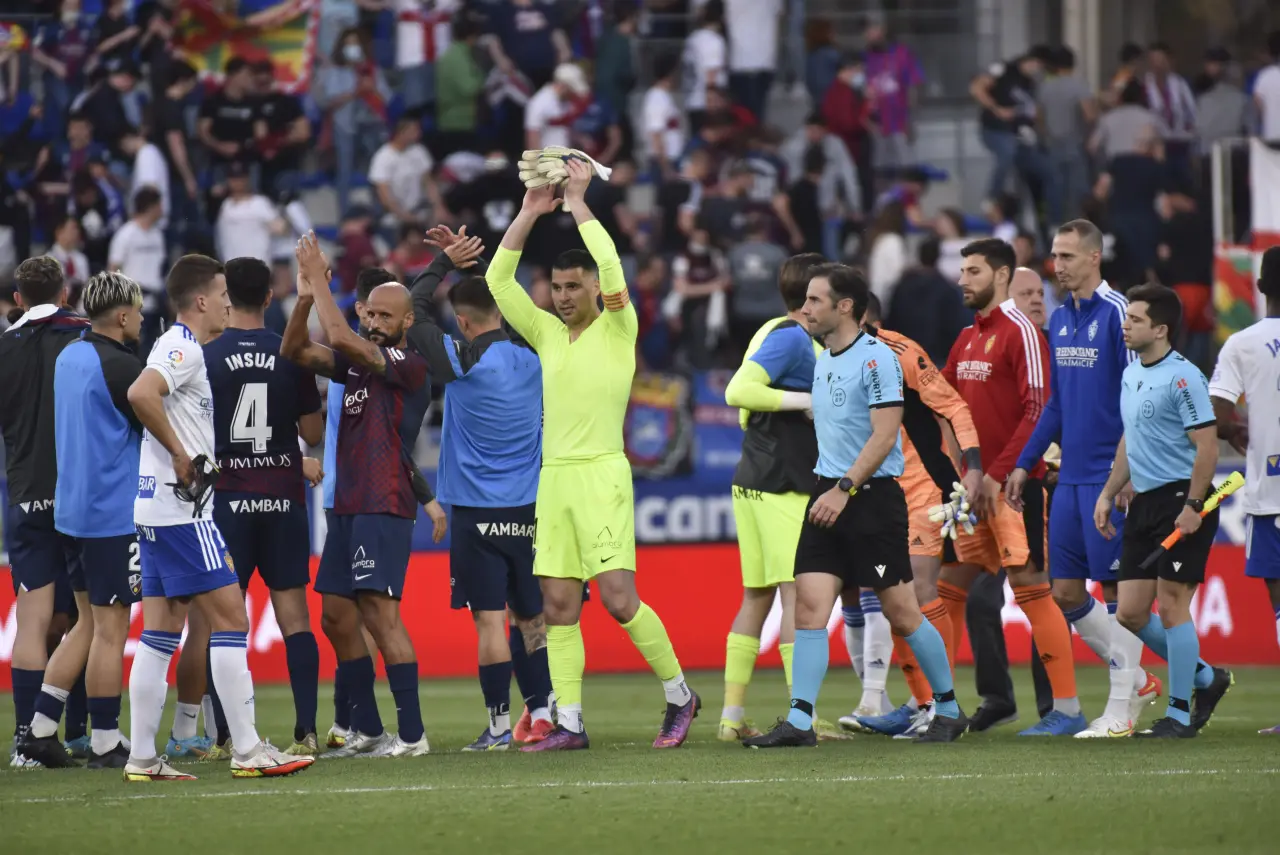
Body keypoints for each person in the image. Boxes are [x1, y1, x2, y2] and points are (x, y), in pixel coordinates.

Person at [486, 160, 698, 751]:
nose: (563, 297)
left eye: (573, 287)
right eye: (556, 289)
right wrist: (529, 211)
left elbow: (610, 264)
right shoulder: (546, 333)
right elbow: (499, 283)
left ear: (595, 290)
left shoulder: (618, 327)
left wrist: (578, 201)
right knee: (557, 605)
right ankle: (572, 723)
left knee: (619, 599)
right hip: (554, 479)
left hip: (602, 474)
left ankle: (680, 695)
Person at [744, 263, 967, 747]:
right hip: (829, 494)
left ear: (844, 306)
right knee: (809, 608)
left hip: (868, 500)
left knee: (902, 613)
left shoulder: (877, 359)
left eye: (815, 300)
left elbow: (885, 436)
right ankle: (800, 722)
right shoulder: (824, 358)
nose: (805, 309)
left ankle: (949, 709)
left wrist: (843, 489)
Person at [124, 254, 314, 781]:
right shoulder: (184, 347)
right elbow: (140, 392)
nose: (230, 303)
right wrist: (180, 454)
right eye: (224, 294)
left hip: (155, 509)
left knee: (161, 633)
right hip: (184, 512)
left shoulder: (174, 344)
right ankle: (249, 750)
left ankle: (143, 758)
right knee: (232, 620)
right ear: (203, 300)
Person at [1005, 221, 1162, 738]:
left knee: (1117, 590)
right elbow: (1056, 402)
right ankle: (1144, 680)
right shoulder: (1060, 319)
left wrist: (1130, 472)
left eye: (1068, 256)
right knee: (1066, 591)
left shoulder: (1119, 314)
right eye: (1055, 255)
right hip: (1070, 478)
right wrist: (1025, 462)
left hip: (1110, 477)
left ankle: (1121, 711)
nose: (1058, 266)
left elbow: (1138, 398)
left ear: (1095, 257)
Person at [282, 234, 437, 758]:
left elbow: (340, 336)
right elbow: (294, 351)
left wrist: (319, 279)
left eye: (385, 316)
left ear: (407, 321)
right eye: (370, 313)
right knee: (336, 617)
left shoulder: (410, 364)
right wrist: (306, 297)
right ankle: (368, 729)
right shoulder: (355, 363)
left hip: (383, 502)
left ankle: (412, 736)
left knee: (379, 615)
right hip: (347, 504)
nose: (375, 322)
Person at [404, 229, 555, 750]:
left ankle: (497, 727)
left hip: (474, 512)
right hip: (528, 509)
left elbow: (412, 310)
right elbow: (511, 304)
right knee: (531, 618)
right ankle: (544, 714)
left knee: (490, 623)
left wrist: (445, 260)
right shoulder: (534, 355)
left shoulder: (460, 360)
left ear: (463, 322)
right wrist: (482, 262)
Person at [938, 237, 1085, 737]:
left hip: (1014, 487)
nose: (963, 280)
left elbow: (1038, 408)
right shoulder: (966, 337)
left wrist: (998, 473)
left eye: (973, 271)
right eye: (962, 271)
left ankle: (1066, 709)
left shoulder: (1021, 331)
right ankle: (937, 705)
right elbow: (944, 401)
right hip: (972, 487)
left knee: (1032, 587)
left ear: (1001, 275)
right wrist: (964, 467)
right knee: (949, 586)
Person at [16, 273, 144, 770]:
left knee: (87, 624)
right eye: (136, 309)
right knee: (112, 628)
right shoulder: (120, 365)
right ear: (122, 315)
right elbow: (149, 421)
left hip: (72, 511)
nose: (140, 317)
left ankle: (40, 728)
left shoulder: (71, 354)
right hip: (110, 512)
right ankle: (106, 741)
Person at [1094, 283, 1232, 738]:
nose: (1125, 325)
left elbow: (1207, 447)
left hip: (1181, 501)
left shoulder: (1184, 377)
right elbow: (1129, 438)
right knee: (1130, 613)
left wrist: (1193, 506)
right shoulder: (1132, 372)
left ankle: (1178, 714)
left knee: (1173, 607)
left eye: (1135, 319)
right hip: (1145, 503)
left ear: (1161, 329)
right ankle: (1207, 679)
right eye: (1127, 317)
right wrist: (1109, 491)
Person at [204, 257, 325, 756]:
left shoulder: (206, 356)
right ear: (270, 297)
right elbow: (313, 433)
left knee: (224, 620)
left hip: (229, 499)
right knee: (295, 616)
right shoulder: (291, 351)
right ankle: (306, 732)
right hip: (282, 498)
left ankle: (225, 737)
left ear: (225, 298)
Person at [848, 293, 983, 738]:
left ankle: (942, 705)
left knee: (920, 591)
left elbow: (953, 406)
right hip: (876, 489)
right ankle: (919, 702)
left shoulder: (902, 352)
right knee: (894, 598)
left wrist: (973, 466)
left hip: (923, 486)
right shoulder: (830, 357)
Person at [718, 252, 824, 742]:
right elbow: (738, 391)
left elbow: (747, 407)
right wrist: (807, 400)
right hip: (783, 482)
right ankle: (803, 718)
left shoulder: (770, 330)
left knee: (756, 596)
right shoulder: (793, 338)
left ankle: (731, 716)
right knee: (795, 597)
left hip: (754, 477)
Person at [0, 257, 90, 768]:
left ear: (18, 299)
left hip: (26, 494)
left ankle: (25, 742)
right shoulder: (84, 337)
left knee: (34, 621)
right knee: (89, 615)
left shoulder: (4, 347)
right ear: (65, 292)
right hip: (81, 493)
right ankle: (83, 730)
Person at [1209, 246, 1280, 735]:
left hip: (1269, 492)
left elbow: (1216, 412)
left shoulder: (1242, 343)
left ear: (1258, 287)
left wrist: (1236, 430)